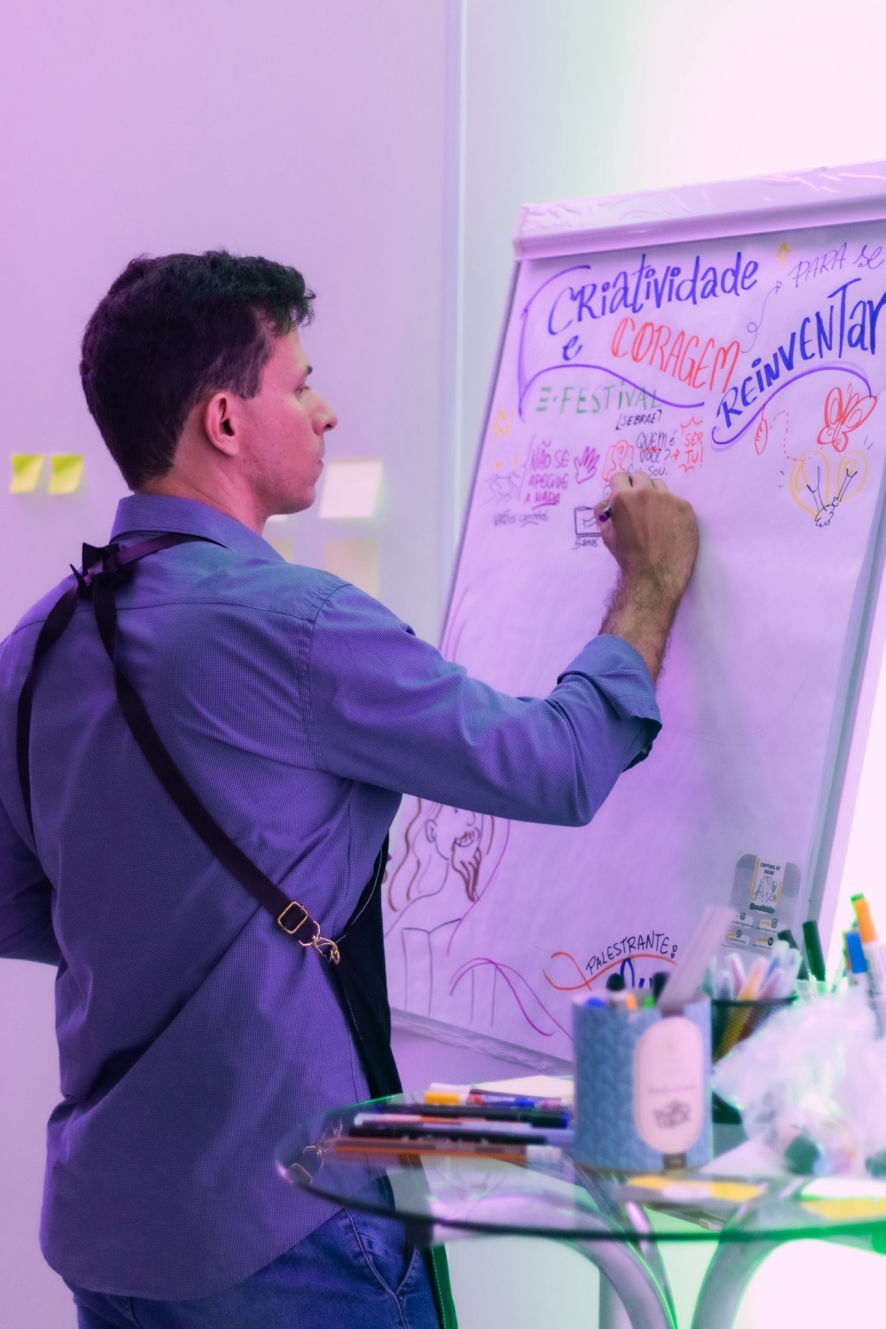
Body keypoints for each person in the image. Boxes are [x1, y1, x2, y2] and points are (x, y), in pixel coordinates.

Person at [0, 251, 698, 1329]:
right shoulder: (298, 625)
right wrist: (649, 584)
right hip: (285, 1222)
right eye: (300, 384)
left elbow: (13, 901)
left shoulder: (39, 643)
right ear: (225, 421)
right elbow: (556, 765)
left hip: (112, 1233)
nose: (323, 412)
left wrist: (164, 926)